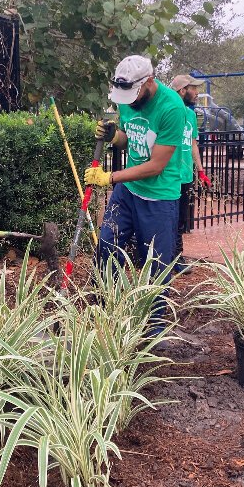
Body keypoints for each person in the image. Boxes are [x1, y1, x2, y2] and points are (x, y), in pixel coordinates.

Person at [84, 55, 185, 332]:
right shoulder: (127, 100)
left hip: (159, 198)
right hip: (128, 193)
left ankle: (152, 329)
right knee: (107, 246)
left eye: (132, 94)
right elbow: (132, 139)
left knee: (155, 264)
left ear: (149, 82)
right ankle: (108, 309)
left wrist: (110, 177)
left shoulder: (171, 107)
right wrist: (114, 137)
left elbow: (155, 165)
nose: (126, 101)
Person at [169, 74, 212, 272]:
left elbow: (193, 143)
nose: (196, 93)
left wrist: (201, 171)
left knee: (180, 220)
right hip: (168, 175)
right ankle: (172, 258)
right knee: (167, 218)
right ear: (182, 90)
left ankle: (176, 257)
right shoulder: (168, 111)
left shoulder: (191, 115)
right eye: (193, 89)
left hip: (186, 175)